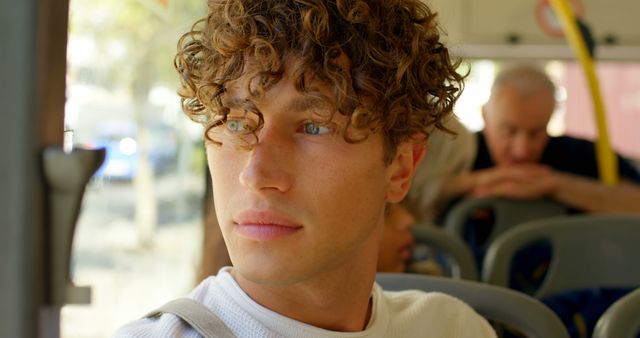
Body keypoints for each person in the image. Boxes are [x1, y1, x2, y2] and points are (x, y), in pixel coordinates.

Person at [115, 0, 496, 337]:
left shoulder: (454, 327)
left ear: (399, 168)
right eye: (235, 124)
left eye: (315, 126)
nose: (255, 174)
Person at [444, 65, 640, 214]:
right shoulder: (458, 153)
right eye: (509, 131)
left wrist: (555, 185)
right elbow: (421, 196)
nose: (521, 150)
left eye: (536, 133)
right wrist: (478, 181)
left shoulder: (577, 154)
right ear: (486, 117)